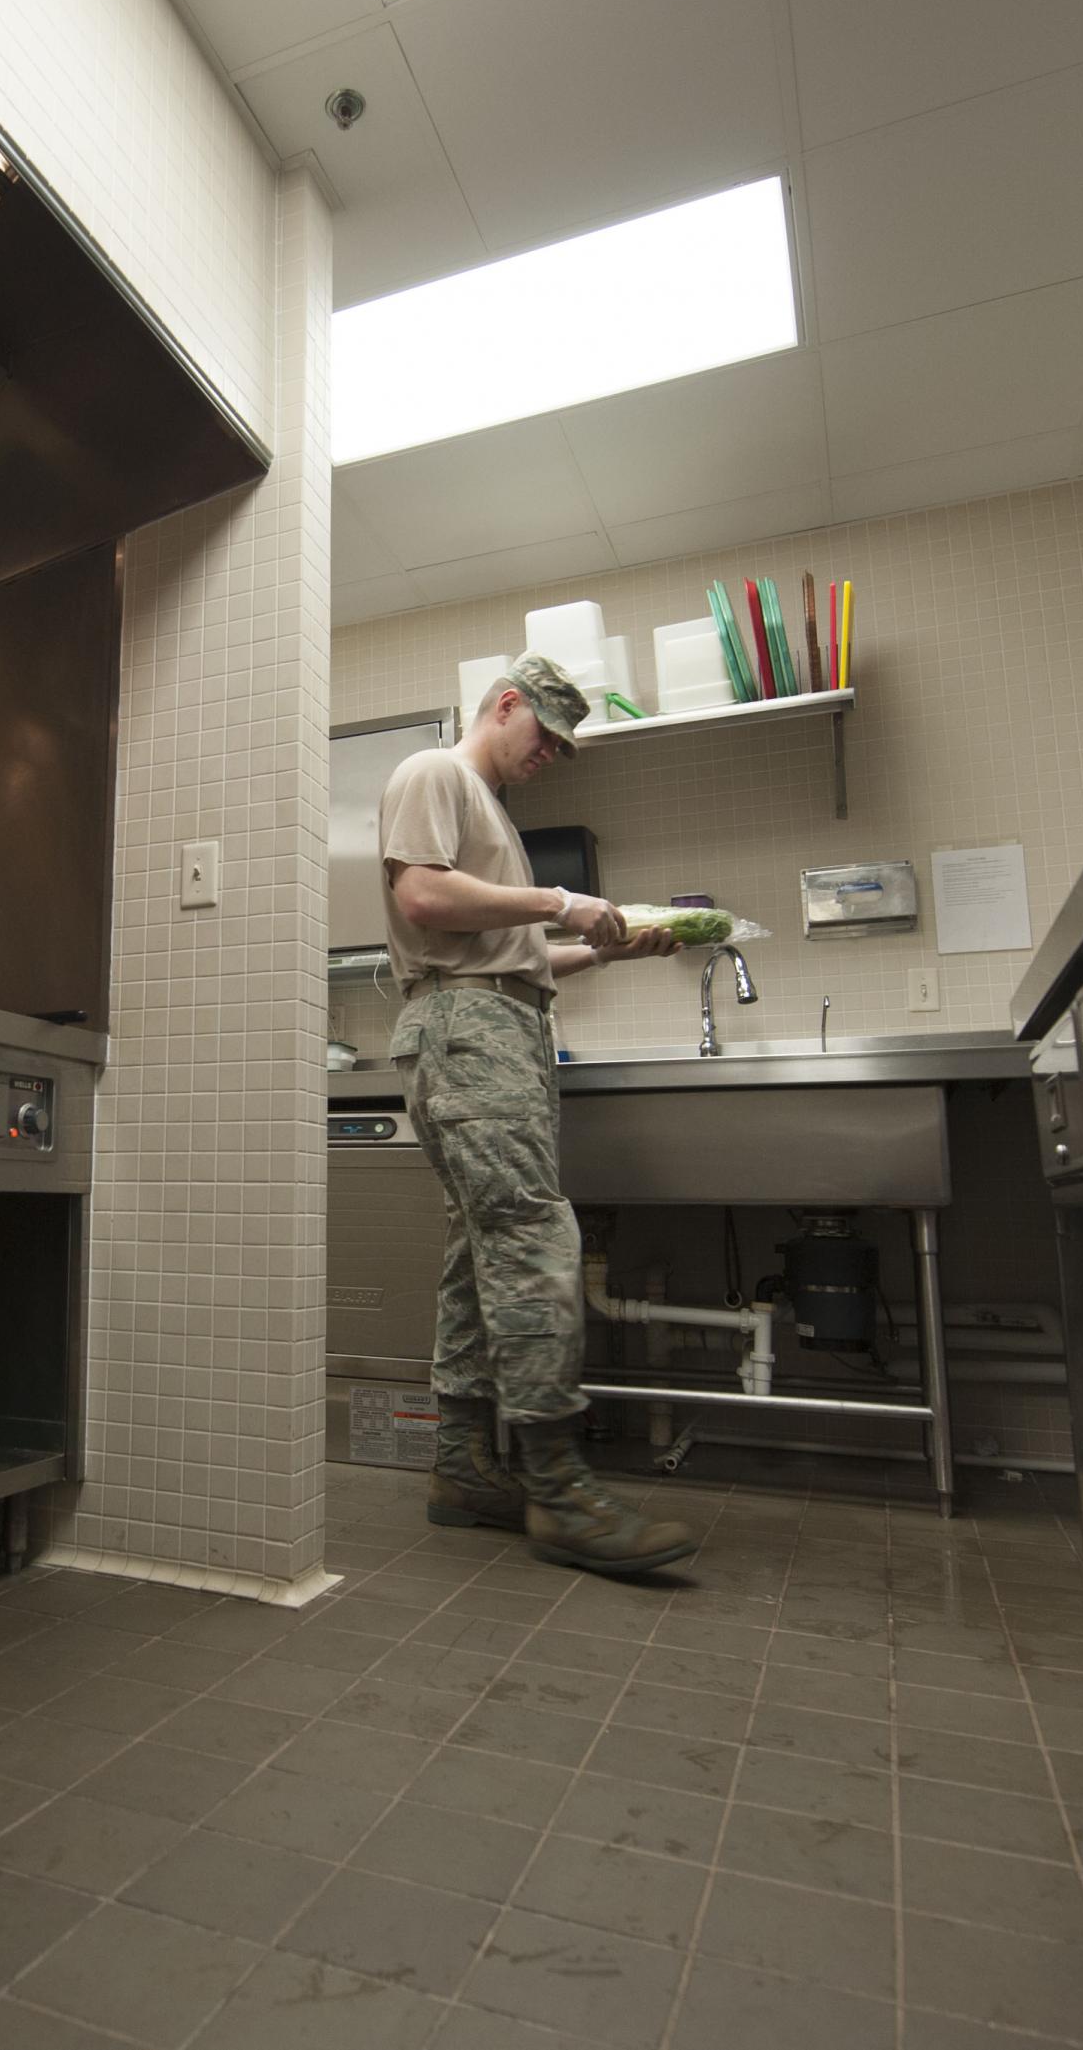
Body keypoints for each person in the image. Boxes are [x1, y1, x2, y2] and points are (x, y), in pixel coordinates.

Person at [378, 654, 695, 1577]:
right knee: (530, 1240)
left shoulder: (492, 818)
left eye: (562, 747)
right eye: (545, 737)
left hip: (495, 1022)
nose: (549, 756)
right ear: (505, 704)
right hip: (467, 1031)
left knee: (481, 1252)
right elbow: (423, 897)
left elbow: (510, 957)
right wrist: (567, 899)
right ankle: (557, 1487)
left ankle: (467, 1469)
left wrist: (608, 949)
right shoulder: (436, 774)